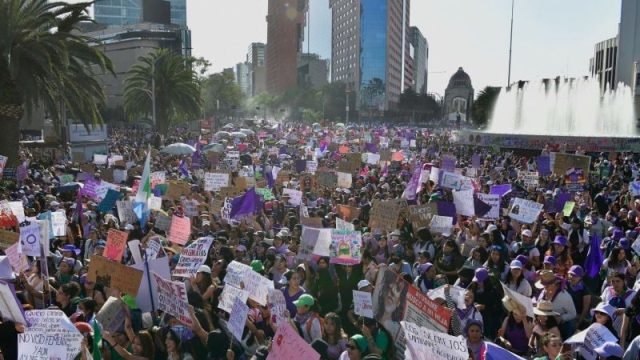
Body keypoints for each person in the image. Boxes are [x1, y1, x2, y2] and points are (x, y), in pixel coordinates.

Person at [535, 270, 576, 339]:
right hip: (543, 323)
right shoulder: (544, 291)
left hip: (560, 326)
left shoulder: (564, 296)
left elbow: (573, 313)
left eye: (547, 286)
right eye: (543, 286)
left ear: (555, 284)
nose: (544, 288)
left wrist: (561, 318)